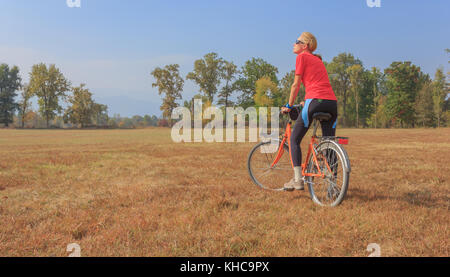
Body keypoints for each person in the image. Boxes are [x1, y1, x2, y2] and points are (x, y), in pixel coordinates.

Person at [281, 32, 338, 191]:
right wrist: (306, 102)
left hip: (315, 101)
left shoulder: (302, 57)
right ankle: (333, 187)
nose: (293, 44)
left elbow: (296, 85)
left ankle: (298, 180)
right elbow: (318, 84)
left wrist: (289, 105)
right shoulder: (318, 60)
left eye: (296, 41)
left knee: (294, 140)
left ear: (304, 46)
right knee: (329, 143)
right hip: (331, 103)